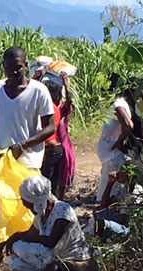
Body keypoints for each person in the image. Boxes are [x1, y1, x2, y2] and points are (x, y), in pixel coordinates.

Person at [0, 46, 56, 232]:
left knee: (29, 212)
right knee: (2, 210)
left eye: (18, 66)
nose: (13, 70)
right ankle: (4, 252)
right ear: (3, 66)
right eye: (8, 66)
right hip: (3, 163)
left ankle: (30, 251)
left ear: (26, 64)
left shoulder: (38, 91)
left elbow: (51, 127)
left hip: (29, 161)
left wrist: (22, 145)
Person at [0, 174, 99, 271]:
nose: (27, 207)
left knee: (52, 268)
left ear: (35, 201)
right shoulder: (41, 216)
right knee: (16, 263)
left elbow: (51, 241)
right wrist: (8, 241)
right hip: (56, 260)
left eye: (28, 204)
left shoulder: (63, 210)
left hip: (77, 262)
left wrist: (25, 239)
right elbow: (30, 233)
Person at [96, 85, 138, 202]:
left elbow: (128, 125)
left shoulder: (118, 104)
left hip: (113, 158)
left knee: (105, 197)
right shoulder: (119, 104)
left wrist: (119, 143)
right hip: (111, 158)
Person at [40, 80, 64, 196]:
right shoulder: (55, 107)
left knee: (45, 184)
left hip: (49, 147)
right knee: (53, 185)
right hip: (55, 148)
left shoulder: (49, 108)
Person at [56, 73, 76, 201]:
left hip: (63, 146)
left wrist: (66, 83)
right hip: (55, 146)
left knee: (62, 179)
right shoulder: (47, 107)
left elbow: (69, 100)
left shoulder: (62, 109)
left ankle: (60, 203)